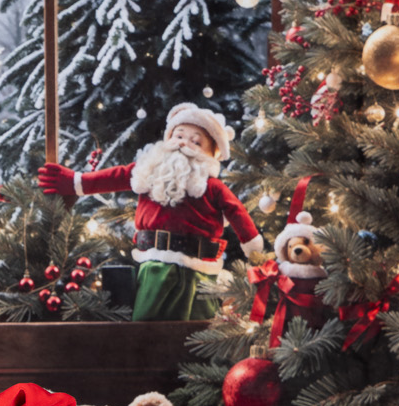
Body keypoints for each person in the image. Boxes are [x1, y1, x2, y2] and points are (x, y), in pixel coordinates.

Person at [37, 104, 265, 321]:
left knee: (199, 322)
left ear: (210, 154)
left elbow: (236, 211)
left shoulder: (212, 187)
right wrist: (76, 182)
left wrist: (253, 248)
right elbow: (114, 177)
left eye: (196, 141)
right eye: (179, 135)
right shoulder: (148, 172)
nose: (184, 143)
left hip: (199, 271)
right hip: (154, 265)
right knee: (148, 320)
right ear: (168, 138)